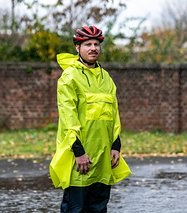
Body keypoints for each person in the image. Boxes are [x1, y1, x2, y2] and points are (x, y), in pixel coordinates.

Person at [49, 25, 131, 212]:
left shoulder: (106, 78)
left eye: (96, 44)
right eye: (87, 44)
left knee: (99, 208)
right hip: (80, 156)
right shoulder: (69, 77)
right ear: (77, 48)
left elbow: (113, 114)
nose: (93, 48)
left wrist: (116, 145)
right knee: (75, 208)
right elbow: (68, 116)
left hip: (103, 157)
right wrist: (78, 152)